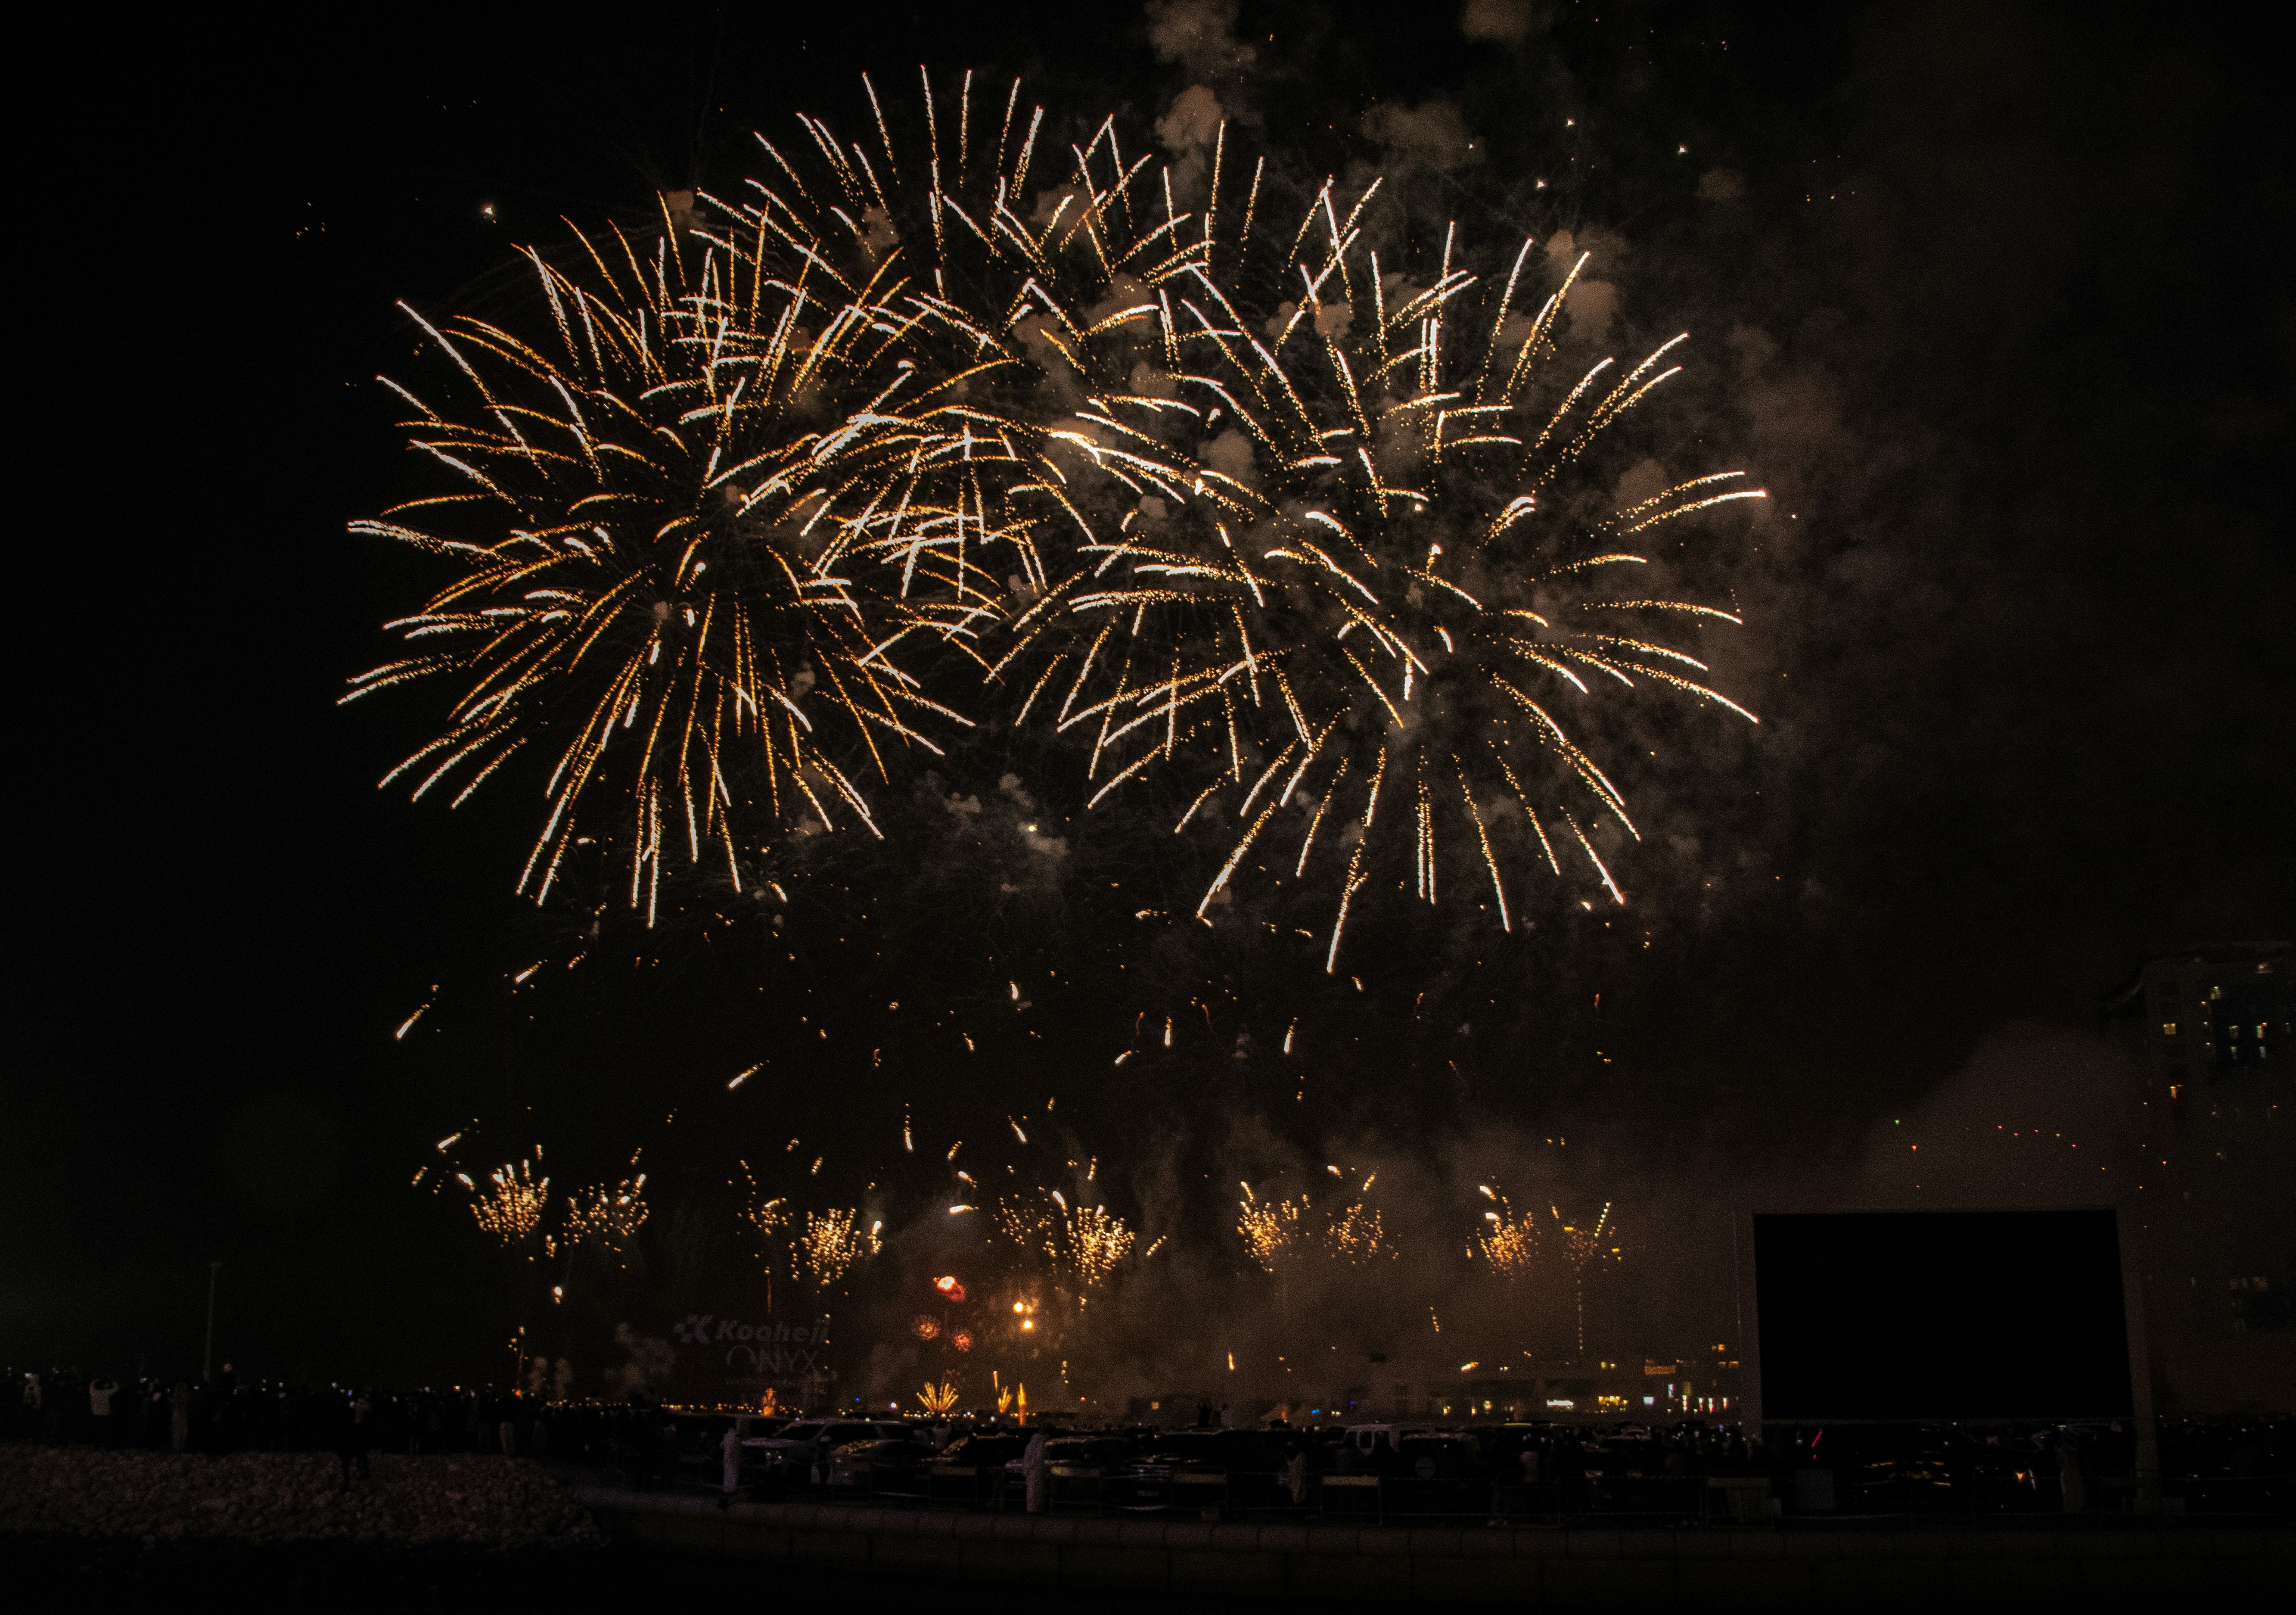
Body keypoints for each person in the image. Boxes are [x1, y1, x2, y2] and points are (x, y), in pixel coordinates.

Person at [1022, 1428, 1049, 1514]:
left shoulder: (1029, 1447)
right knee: (1036, 1491)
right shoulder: (1040, 1446)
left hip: (1032, 1471)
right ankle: (1035, 1509)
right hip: (1037, 1471)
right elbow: (1038, 1459)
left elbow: (1027, 1460)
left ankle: (1032, 1508)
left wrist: (1027, 1469)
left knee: (1032, 1491)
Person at [721, 1421, 744, 1493]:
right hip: (735, 1457)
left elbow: (721, 1446)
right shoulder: (737, 1437)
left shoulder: (726, 1436)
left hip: (727, 1457)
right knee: (734, 1473)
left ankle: (727, 1488)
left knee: (727, 1473)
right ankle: (733, 1488)